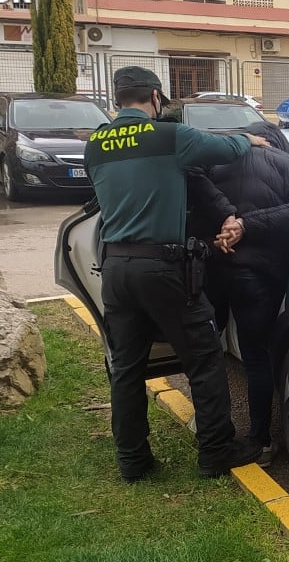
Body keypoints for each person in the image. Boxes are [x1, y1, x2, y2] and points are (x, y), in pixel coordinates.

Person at [84, 66, 270, 483]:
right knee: (204, 360)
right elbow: (221, 150)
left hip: (115, 268)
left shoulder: (95, 144)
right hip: (164, 268)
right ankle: (215, 453)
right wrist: (250, 139)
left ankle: (133, 461)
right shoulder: (169, 137)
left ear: (118, 98)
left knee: (127, 368)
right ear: (154, 96)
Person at [187, 121, 289, 461]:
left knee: (206, 351)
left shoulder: (209, 162)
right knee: (255, 357)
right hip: (259, 276)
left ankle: (209, 427)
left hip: (211, 265)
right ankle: (260, 438)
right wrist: (246, 225)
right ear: (277, 143)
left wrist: (226, 227)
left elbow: (188, 188)